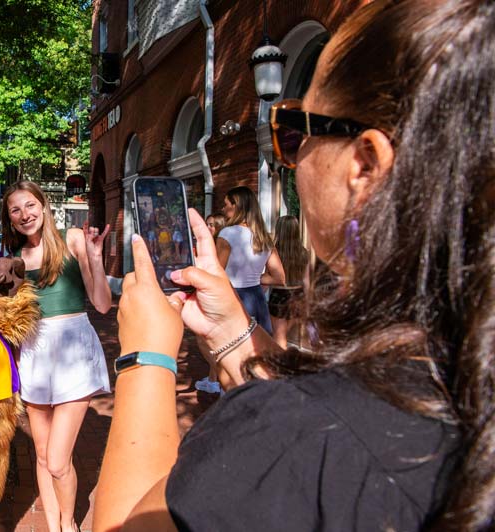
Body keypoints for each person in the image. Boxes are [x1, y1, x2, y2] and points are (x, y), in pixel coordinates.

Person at [94, 0, 493, 530]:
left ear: (365, 164)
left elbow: (125, 521)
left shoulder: (295, 438)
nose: (291, 154)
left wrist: (146, 354)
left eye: (293, 129)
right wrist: (234, 334)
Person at [2, 180, 112, 532]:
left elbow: (102, 303)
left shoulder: (72, 240)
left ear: (44, 205)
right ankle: (53, 525)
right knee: (44, 454)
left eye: (30, 205)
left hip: (74, 349)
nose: (25, 215)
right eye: (16, 210)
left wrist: (95, 259)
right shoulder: (14, 260)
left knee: (59, 460)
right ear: (10, 218)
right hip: (35, 352)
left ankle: (68, 524)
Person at [217, 186, 285, 336]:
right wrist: (253, 278)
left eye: (226, 204)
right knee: (259, 347)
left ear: (236, 206)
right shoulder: (264, 237)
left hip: (234, 296)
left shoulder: (227, 233)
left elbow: (217, 273)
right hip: (256, 297)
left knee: (230, 347)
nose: (223, 209)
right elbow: (279, 277)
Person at [194, 213, 227, 394]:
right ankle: (214, 379)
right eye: (207, 224)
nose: (209, 228)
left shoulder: (220, 247)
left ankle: (221, 375)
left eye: (212, 225)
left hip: (214, 296)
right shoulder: (210, 245)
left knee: (205, 339)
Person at [268, 215, 309, 349]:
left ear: (279, 230)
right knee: (284, 335)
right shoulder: (304, 253)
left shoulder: (274, 253)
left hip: (279, 296)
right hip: (298, 295)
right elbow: (306, 280)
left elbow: (269, 277)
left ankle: (279, 368)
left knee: (279, 338)